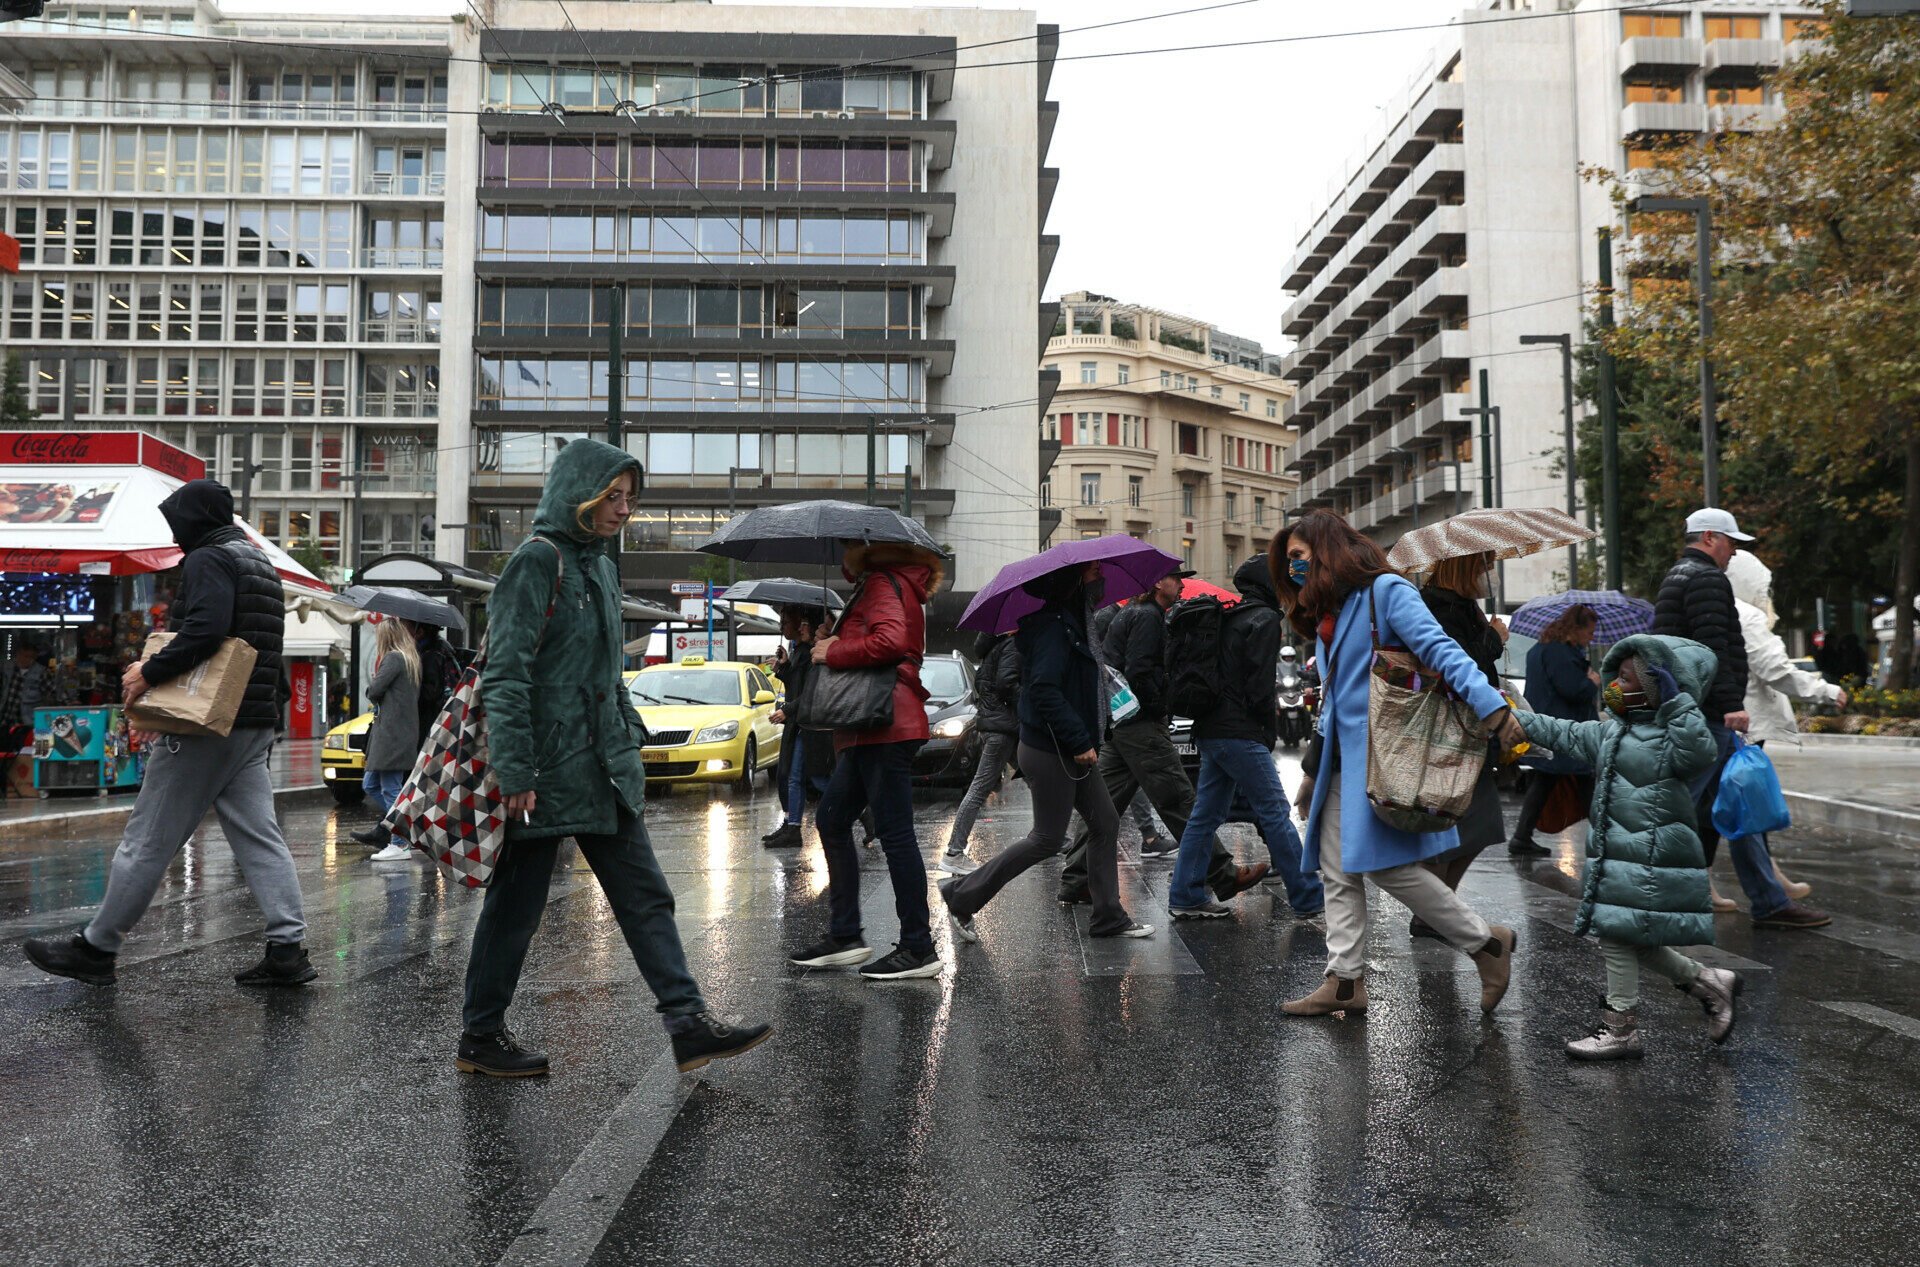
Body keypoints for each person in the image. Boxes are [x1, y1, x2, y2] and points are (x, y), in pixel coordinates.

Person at [462, 439, 770, 1077]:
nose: (624, 509)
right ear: (580, 493)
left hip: (602, 765)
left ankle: (687, 1023)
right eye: (613, 496)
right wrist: (515, 769)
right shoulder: (536, 562)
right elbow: (505, 676)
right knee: (516, 910)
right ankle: (480, 1036)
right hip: (544, 771)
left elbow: (609, 671)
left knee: (646, 896)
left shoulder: (601, 566)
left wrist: (629, 735)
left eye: (630, 497)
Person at [23, 480, 314, 988]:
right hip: (251, 720)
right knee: (259, 837)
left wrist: (149, 673)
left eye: (176, 521)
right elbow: (264, 644)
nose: (173, 532)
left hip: (204, 724)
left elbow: (205, 630)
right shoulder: (258, 561)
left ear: (193, 519)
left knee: (148, 838)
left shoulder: (210, 559)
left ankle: (98, 948)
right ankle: (288, 949)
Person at [1273, 511, 1526, 1018]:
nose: (1293, 568)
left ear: (1327, 550)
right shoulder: (1335, 613)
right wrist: (1310, 774)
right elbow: (1333, 701)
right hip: (1342, 762)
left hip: (1385, 756)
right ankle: (1344, 981)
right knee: (1336, 869)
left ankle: (1484, 942)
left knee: (1385, 866)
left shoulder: (1386, 592)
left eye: (1298, 557)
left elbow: (1444, 652)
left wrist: (1493, 707)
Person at [1515, 637, 1744, 1060]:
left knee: (1617, 934)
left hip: (1650, 854)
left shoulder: (1671, 737)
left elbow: (1699, 752)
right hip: (1618, 853)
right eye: (1616, 676)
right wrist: (1513, 717)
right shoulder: (1615, 730)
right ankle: (1709, 982)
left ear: (1658, 687)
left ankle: (1621, 1027)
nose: (1615, 685)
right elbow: (1563, 732)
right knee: (1629, 936)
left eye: (1626, 678)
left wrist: (1678, 705)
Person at [937, 561, 1153, 941]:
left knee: (1105, 822)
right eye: (1092, 575)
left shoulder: (1073, 626)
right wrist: (1078, 740)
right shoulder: (1055, 629)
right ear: (1072, 584)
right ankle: (961, 895)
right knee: (1047, 838)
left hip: (1065, 747)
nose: (1100, 580)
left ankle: (1108, 917)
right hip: (1053, 749)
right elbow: (1044, 690)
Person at [1651, 509, 1828, 930]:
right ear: (1710, 537)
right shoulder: (1708, 579)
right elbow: (1716, 647)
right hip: (1709, 714)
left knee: (1740, 803)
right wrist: (1732, 703)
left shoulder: (1675, 577)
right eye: (1731, 542)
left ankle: (1769, 900)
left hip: (1690, 708)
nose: (1734, 552)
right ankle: (1644, 896)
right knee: (1675, 809)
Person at [1057, 563, 1268, 905]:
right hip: (1140, 725)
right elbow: (1141, 673)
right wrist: (1162, 705)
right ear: (1158, 582)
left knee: (1103, 805)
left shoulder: (1136, 614)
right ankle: (1223, 875)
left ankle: (1076, 878)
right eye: (1177, 579)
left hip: (1120, 723)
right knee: (1179, 799)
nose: (1183, 586)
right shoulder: (1148, 617)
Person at [786, 540, 946, 980]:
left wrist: (833, 650)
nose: (840, 555)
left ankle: (918, 947)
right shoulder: (889, 585)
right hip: (868, 727)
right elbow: (875, 637)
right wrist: (833, 638)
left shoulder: (881, 582)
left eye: (847, 548)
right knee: (833, 820)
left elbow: (891, 641)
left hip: (884, 724)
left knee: (895, 834)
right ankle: (845, 935)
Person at [1165, 554, 1325, 919]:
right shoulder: (1264, 619)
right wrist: (1264, 732)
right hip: (1239, 732)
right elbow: (1257, 688)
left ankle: (1186, 895)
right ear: (1270, 585)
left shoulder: (1229, 615)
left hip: (1211, 728)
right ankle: (1307, 896)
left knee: (1205, 817)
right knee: (1275, 812)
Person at [1727, 549, 1847, 902]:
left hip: (1734, 722)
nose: (1768, 594)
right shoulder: (1746, 616)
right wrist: (1825, 690)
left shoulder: (1716, 612)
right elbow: (1776, 671)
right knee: (1746, 809)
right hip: (1746, 725)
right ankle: (1768, 893)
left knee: (1730, 807)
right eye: (1763, 586)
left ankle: (1765, 877)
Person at [1412, 552, 1510, 916]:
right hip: (1453, 730)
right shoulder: (1442, 609)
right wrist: (1495, 638)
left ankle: (1439, 910)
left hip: (1470, 728)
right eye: (1485, 566)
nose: (1490, 574)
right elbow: (1460, 665)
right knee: (1453, 828)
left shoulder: (1462, 606)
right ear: (1465, 568)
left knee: (1479, 826)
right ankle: (1434, 913)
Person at [1508, 605, 1602, 854]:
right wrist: (1592, 682)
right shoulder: (1560, 653)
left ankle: (1522, 836)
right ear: (1576, 628)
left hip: (1548, 726)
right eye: (1589, 632)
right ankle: (1604, 841)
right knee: (1584, 782)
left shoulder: (1542, 648)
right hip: (1565, 728)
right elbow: (1573, 690)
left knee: (1545, 781)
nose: (1591, 637)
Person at [941, 628, 1021, 873]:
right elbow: (1008, 685)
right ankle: (954, 852)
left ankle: (1054, 835)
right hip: (1003, 728)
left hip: (999, 725)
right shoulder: (1011, 645)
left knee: (1038, 779)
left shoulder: (992, 650)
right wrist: (1029, 702)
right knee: (979, 788)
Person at [762, 604, 829, 850]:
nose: (783, 628)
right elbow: (798, 686)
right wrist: (783, 668)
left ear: (803, 624)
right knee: (794, 776)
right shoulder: (801, 651)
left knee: (808, 777)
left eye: (785, 622)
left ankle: (859, 811)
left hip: (809, 722)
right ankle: (791, 826)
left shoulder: (815, 653)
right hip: (801, 721)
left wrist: (787, 710)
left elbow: (810, 693)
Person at [356, 617, 423, 862]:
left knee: (390, 787)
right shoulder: (411, 658)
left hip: (392, 735)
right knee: (370, 784)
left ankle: (399, 842)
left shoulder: (394, 658)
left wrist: (375, 680)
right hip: (397, 733)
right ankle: (405, 829)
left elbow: (374, 691)